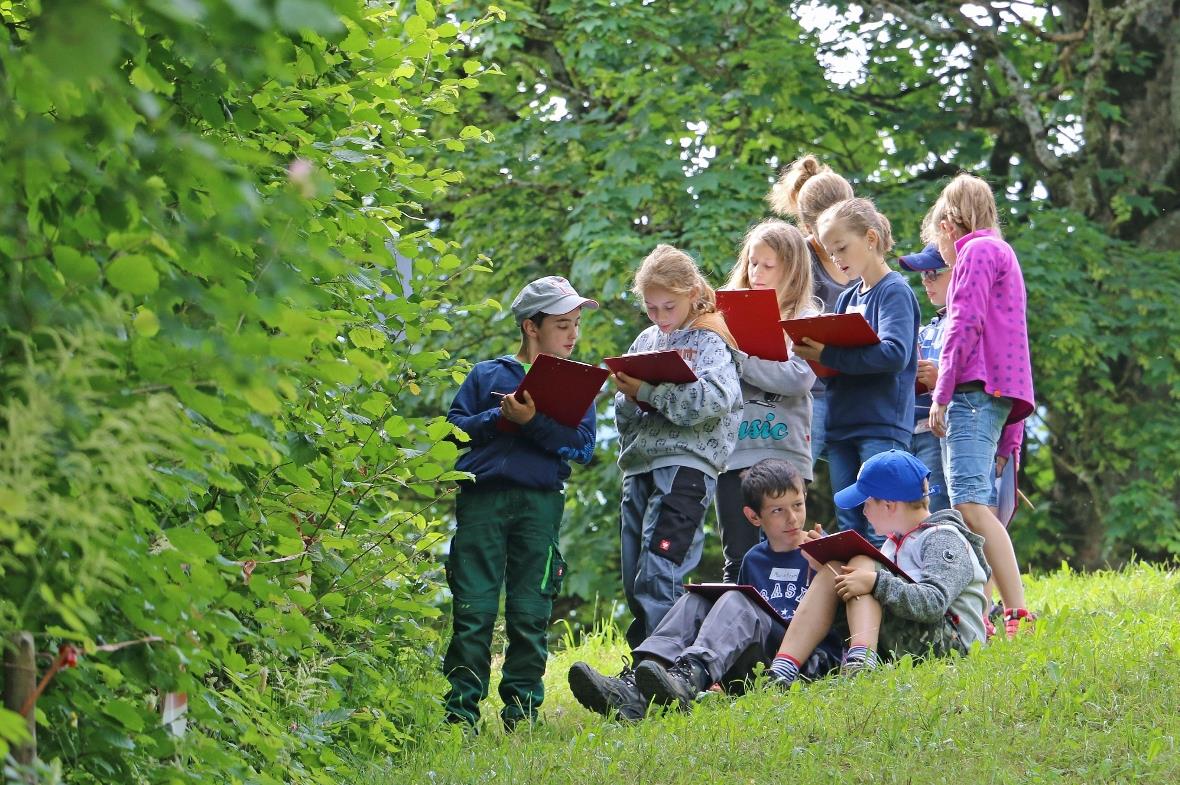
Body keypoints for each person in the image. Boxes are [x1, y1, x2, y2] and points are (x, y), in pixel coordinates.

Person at [441, 276, 599, 730]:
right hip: (482, 502)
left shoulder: (578, 382)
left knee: (531, 610)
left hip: (541, 505)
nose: (573, 335)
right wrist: (499, 416)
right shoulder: (487, 374)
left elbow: (582, 448)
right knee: (473, 609)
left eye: (576, 325)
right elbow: (452, 432)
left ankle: (523, 716)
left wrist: (531, 423)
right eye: (563, 325)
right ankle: (460, 717)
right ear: (532, 326)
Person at [567, 459, 842, 719]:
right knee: (696, 600)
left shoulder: (826, 551)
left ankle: (690, 677)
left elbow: (844, 614)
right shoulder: (753, 559)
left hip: (801, 662)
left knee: (735, 597)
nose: (793, 518)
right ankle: (635, 684)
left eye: (797, 505)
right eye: (778, 510)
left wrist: (827, 563)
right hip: (754, 662)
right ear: (754, 516)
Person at [612, 244, 744, 650]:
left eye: (668, 306)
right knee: (634, 573)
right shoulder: (648, 338)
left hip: (686, 467)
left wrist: (652, 392)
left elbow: (716, 399)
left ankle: (666, 661)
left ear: (691, 292)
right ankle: (645, 658)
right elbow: (621, 406)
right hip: (639, 466)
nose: (660, 317)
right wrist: (632, 397)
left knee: (661, 569)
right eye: (651, 308)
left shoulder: (711, 337)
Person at [767, 450, 991, 686]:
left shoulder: (943, 538)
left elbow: (934, 603)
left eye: (866, 503)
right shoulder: (893, 543)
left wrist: (875, 581)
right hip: (912, 640)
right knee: (835, 567)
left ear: (888, 505)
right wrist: (826, 566)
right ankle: (783, 668)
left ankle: (861, 665)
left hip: (954, 646)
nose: (863, 512)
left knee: (862, 562)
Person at [922, 174, 1036, 638]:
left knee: (969, 501)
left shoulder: (975, 252)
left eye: (938, 243)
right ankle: (982, 612)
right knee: (967, 503)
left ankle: (1016, 612)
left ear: (949, 224)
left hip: (971, 394)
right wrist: (1013, 433)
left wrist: (941, 393)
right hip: (992, 396)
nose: (941, 258)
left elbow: (961, 326)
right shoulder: (1002, 253)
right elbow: (1015, 346)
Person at [793, 198, 920, 547]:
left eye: (842, 248)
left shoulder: (893, 291)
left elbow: (894, 354)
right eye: (830, 252)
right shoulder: (848, 298)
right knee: (850, 519)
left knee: (883, 519)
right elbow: (840, 358)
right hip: (842, 425)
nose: (836, 258)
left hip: (880, 424)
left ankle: (886, 594)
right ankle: (858, 599)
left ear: (871, 238)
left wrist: (829, 353)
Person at [714, 220, 818, 581]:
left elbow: (799, 376)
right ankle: (735, 635)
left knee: (787, 552)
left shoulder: (806, 316)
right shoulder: (724, 315)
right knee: (738, 556)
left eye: (767, 265)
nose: (756, 272)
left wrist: (740, 359)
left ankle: (790, 633)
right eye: (751, 263)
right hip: (735, 453)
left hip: (784, 449)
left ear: (791, 269)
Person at [767, 155, 855, 467]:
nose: (837, 240)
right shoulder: (800, 257)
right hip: (810, 393)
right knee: (791, 478)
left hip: (854, 391)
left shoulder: (861, 256)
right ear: (808, 226)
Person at [898, 243, 952, 514]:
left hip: (937, 433)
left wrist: (939, 379)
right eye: (923, 275)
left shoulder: (962, 325)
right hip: (906, 431)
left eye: (934, 273)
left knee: (936, 511)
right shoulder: (925, 330)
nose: (926, 282)